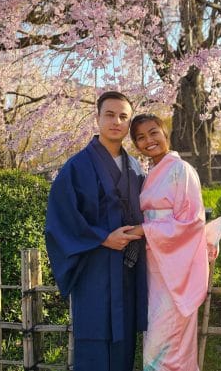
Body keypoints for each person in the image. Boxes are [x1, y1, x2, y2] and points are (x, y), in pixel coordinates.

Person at [44, 91, 147, 371]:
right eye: (110, 114)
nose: (117, 121)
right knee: (94, 336)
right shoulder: (77, 166)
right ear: (97, 118)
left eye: (123, 116)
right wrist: (102, 237)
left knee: (123, 343)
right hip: (94, 267)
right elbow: (60, 218)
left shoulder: (135, 167)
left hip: (126, 267)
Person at [127, 113, 214, 371]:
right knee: (154, 337)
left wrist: (145, 229)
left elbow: (190, 223)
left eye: (154, 132)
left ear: (166, 134)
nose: (148, 140)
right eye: (140, 137)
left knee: (167, 339)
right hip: (155, 265)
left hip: (177, 268)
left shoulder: (182, 170)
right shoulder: (150, 173)